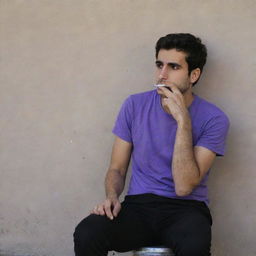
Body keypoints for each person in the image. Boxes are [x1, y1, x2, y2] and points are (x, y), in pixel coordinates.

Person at [73, 33, 230, 256]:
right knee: (88, 232)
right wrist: (111, 197)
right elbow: (117, 168)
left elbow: (184, 186)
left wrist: (183, 120)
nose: (162, 75)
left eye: (173, 67)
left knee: (195, 246)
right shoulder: (134, 105)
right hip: (139, 206)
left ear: (194, 75)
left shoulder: (214, 119)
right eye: (159, 65)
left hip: (186, 210)